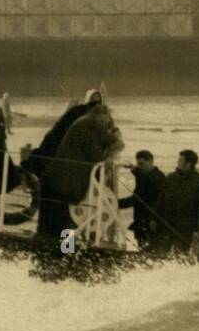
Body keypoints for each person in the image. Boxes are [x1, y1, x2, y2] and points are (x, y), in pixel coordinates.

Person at [38, 101, 124, 240]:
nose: (108, 122)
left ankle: (60, 249)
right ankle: (64, 250)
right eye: (107, 118)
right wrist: (107, 159)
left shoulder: (89, 124)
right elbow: (93, 152)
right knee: (64, 220)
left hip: (60, 181)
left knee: (61, 221)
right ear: (99, 115)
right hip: (63, 183)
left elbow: (103, 138)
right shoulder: (87, 125)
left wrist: (114, 140)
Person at [152, 149, 199, 256]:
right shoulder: (170, 178)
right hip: (166, 224)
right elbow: (160, 200)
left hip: (186, 228)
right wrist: (154, 218)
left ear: (188, 164)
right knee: (160, 255)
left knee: (181, 256)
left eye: (179, 160)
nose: (177, 162)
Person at [117, 149, 166, 248]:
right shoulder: (145, 175)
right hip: (141, 221)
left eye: (142, 164)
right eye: (138, 164)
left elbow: (139, 198)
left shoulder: (158, 178)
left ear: (151, 161)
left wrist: (116, 204)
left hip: (151, 223)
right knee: (143, 248)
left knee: (150, 250)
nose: (140, 167)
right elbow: (140, 176)